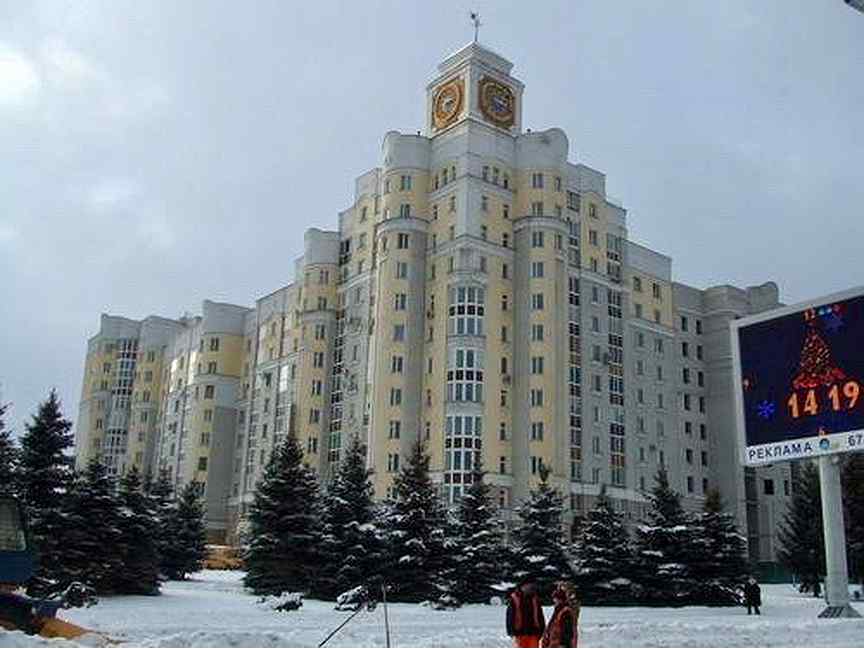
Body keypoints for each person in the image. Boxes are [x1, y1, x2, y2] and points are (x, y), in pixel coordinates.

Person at [506, 577, 545, 648]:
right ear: (523, 586)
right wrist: (510, 631)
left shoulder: (535, 599)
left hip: (534, 632)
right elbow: (510, 616)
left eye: (532, 586)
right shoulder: (514, 599)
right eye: (529, 586)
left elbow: (540, 616)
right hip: (519, 632)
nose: (531, 588)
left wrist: (542, 629)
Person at [541, 582, 580, 648]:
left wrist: (563, 644)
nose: (554, 601)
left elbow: (567, 631)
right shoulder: (558, 610)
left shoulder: (565, 612)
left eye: (556, 599)